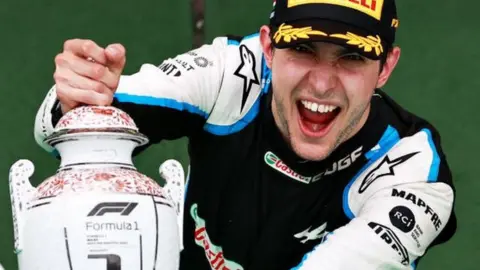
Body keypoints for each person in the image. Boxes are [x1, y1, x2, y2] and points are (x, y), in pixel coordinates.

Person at [33, 0, 457, 269]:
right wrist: (78, 96)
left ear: (386, 67)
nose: (323, 84)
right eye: (303, 49)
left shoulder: (411, 164)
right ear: (269, 48)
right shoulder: (230, 73)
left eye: (351, 57)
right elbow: (67, 118)